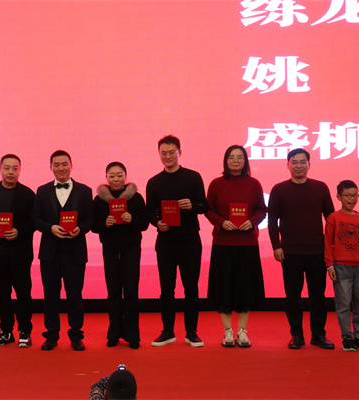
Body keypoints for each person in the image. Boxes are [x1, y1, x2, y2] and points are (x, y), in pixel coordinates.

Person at [268, 148, 335, 350]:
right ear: (288, 165)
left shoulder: (320, 187)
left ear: (309, 164)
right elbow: (272, 221)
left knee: (318, 296)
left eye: (302, 162)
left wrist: (331, 247)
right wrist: (276, 246)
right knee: (293, 296)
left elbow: (331, 219)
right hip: (290, 252)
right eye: (294, 162)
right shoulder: (279, 189)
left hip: (317, 251)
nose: (299, 165)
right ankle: (296, 334)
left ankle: (318, 335)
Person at [146, 135, 208, 347]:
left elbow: (204, 205)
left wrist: (192, 205)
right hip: (166, 241)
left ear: (180, 153)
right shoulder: (154, 182)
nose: (167, 156)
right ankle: (167, 331)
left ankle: (191, 332)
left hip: (190, 240)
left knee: (191, 287)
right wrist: (157, 223)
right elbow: (149, 212)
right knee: (166, 288)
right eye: (163, 153)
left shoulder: (193, 177)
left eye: (172, 152)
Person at [205, 145, 266, 347]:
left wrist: (253, 221)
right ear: (225, 161)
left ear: (245, 161)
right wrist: (221, 222)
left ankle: (242, 331)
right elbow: (208, 210)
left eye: (240, 157)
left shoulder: (254, 184)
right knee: (224, 288)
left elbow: (262, 210)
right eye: (231, 157)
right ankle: (227, 331)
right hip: (223, 243)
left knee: (244, 288)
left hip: (247, 243)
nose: (236, 160)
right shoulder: (217, 184)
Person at [32, 150, 94, 351]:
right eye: (56, 165)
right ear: (51, 168)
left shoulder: (85, 191)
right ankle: (51, 336)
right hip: (50, 253)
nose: (61, 168)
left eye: (64, 164)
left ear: (71, 165)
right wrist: (50, 228)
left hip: (75, 253)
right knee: (50, 296)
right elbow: (35, 219)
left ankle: (76, 336)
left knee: (75, 296)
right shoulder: (42, 191)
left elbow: (90, 219)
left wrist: (80, 229)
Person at [0, 154, 36, 348]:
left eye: (15, 168)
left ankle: (25, 331)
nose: (11, 172)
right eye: (7, 168)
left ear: (20, 170)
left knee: (23, 293)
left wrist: (19, 231)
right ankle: (6, 331)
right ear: (0, 169)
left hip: (20, 254)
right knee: (1, 293)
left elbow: (34, 220)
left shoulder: (27, 194)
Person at [92, 162, 148, 349]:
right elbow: (93, 226)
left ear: (125, 176)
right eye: (112, 176)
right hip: (110, 250)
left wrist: (132, 220)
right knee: (113, 292)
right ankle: (114, 333)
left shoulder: (136, 198)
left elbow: (144, 224)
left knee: (131, 292)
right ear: (106, 177)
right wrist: (105, 224)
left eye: (119, 175)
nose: (116, 179)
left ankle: (132, 335)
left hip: (131, 249)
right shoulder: (99, 200)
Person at [325, 180, 359, 351]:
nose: (352, 199)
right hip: (341, 267)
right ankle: (347, 336)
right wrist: (329, 265)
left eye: (355, 195)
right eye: (347, 195)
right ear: (338, 197)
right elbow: (328, 243)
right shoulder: (334, 218)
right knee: (343, 305)